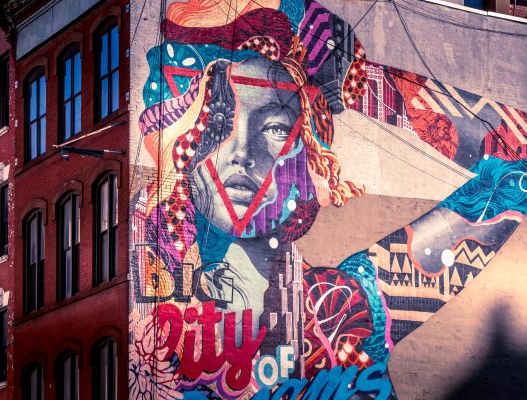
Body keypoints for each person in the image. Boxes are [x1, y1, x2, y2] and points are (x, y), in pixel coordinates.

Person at [129, 1, 527, 399]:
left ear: (313, 159)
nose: (241, 152)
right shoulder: (156, 295)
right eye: (217, 119)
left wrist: (349, 76)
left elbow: (517, 165)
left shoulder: (341, 311)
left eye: (273, 126)